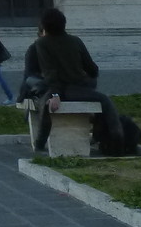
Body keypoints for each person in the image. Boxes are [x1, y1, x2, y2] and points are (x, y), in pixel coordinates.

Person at [26, 8, 121, 151]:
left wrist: (55, 95)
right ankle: (115, 139)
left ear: (44, 26)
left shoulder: (42, 43)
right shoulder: (75, 40)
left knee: (39, 95)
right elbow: (92, 69)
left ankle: (40, 143)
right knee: (105, 100)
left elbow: (51, 73)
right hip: (81, 88)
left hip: (61, 90)